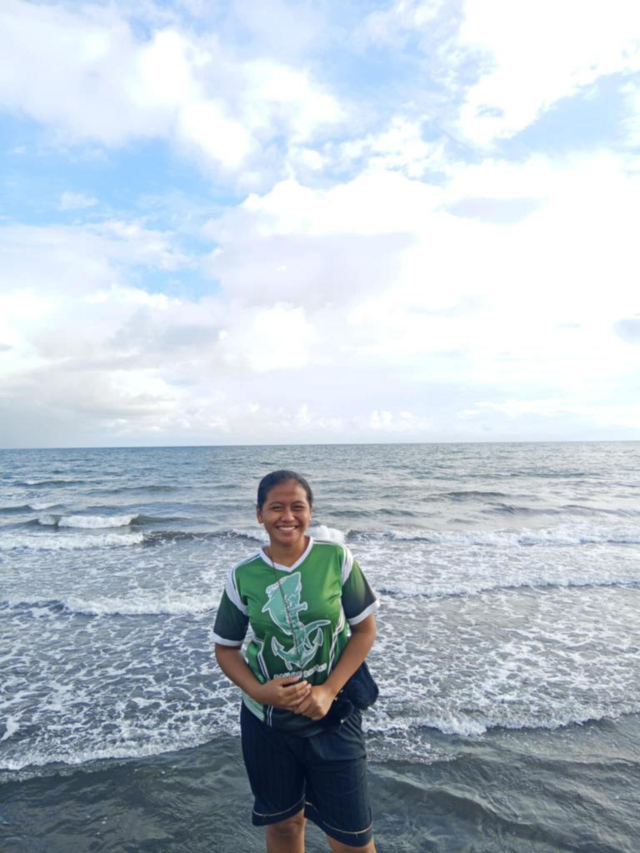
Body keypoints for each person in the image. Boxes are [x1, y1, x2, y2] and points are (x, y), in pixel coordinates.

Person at [213, 469, 379, 853]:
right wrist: (260, 692)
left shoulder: (335, 559)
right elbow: (226, 648)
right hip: (268, 722)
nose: (287, 516)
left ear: (310, 511)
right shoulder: (243, 575)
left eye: (297, 507)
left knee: (351, 838)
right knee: (285, 825)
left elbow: (364, 631)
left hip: (334, 714)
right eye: (276, 507)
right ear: (259, 514)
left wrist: (328, 690)